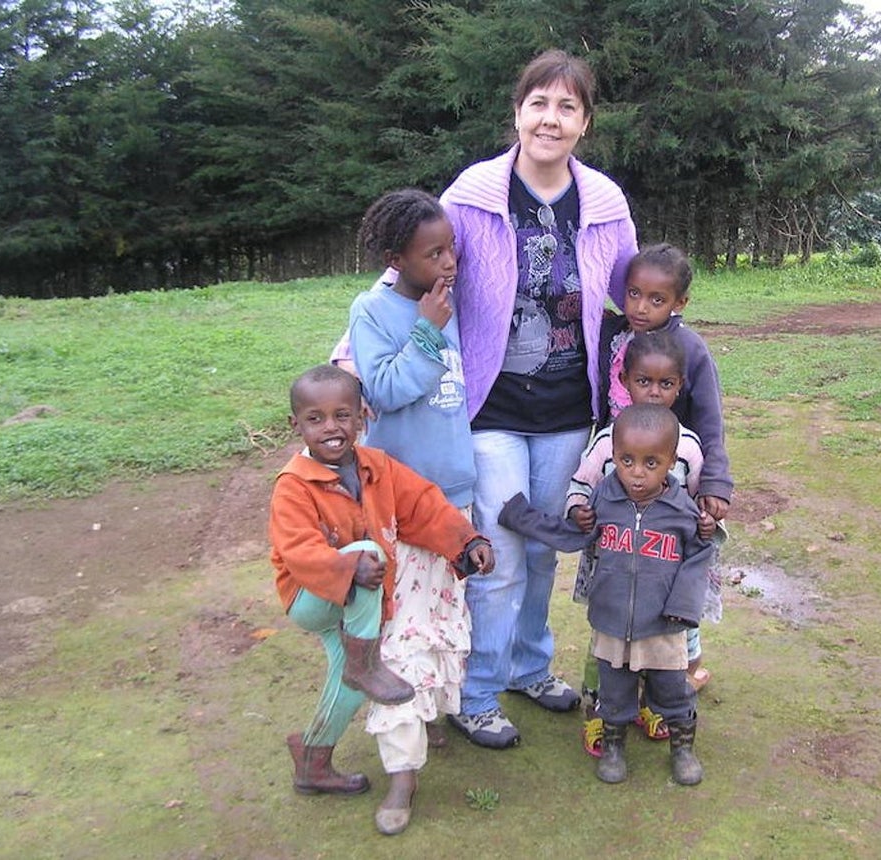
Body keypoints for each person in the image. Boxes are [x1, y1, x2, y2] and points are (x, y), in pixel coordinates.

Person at [438, 48, 639, 749]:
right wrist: (351, 357)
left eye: (567, 106)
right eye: (538, 103)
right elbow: (412, 276)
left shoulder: (606, 202)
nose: (550, 119)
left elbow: (631, 297)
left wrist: (675, 366)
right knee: (498, 554)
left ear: (585, 122)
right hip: (490, 408)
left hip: (565, 412)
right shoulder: (469, 195)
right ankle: (478, 691)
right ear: (518, 112)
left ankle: (530, 667)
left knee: (547, 549)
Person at [268, 365, 494, 826]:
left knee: (347, 684)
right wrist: (347, 564)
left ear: (362, 416)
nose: (331, 427)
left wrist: (466, 540)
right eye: (316, 418)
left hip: (357, 605)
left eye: (342, 415)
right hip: (312, 598)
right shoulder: (293, 485)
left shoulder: (376, 466)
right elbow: (299, 552)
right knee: (369, 553)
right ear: (297, 426)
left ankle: (313, 760)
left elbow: (423, 504)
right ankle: (367, 662)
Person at [345, 188, 477, 835]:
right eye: (433, 252)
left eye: (450, 247)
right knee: (399, 635)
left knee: (445, 622)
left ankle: (428, 721)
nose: (449, 261)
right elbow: (387, 393)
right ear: (397, 257)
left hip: (453, 495)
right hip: (398, 508)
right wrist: (427, 328)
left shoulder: (452, 302)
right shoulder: (373, 311)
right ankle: (401, 774)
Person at [498, 404, 713, 785]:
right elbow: (570, 535)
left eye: (651, 463)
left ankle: (683, 749)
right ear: (613, 456)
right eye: (626, 460)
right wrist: (518, 516)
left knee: (672, 693)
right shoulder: (603, 501)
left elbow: (699, 557)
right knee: (613, 694)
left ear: (671, 461)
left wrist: (683, 607)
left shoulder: (683, 511)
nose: (637, 472)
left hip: (664, 626)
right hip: (612, 623)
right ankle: (613, 748)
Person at [564, 329, 716, 758]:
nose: (653, 392)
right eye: (642, 382)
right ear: (624, 380)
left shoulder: (687, 445)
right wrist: (579, 510)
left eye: (665, 384)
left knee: (666, 642)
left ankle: (654, 705)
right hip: (613, 562)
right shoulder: (607, 440)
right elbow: (581, 483)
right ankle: (604, 709)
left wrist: (705, 515)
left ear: (679, 386)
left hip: (664, 567)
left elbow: (702, 493)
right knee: (608, 638)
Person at [598, 242, 734, 690]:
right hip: (621, 489)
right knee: (624, 578)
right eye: (633, 293)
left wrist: (714, 481)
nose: (640, 307)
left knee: (676, 583)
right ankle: (616, 673)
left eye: (657, 300)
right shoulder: (614, 339)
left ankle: (685, 671)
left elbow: (710, 422)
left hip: (674, 491)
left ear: (679, 303)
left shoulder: (690, 350)